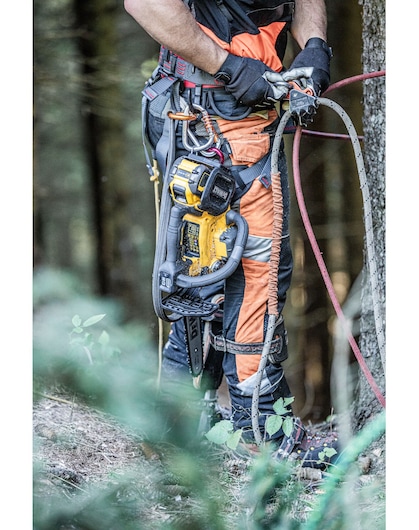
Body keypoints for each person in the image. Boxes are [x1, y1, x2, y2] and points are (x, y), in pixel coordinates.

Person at [125, 0, 339, 468]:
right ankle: (256, 426)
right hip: (209, 117)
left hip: (250, 114)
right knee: (243, 271)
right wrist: (229, 67)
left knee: (217, 270)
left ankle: (182, 422)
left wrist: (314, 48)